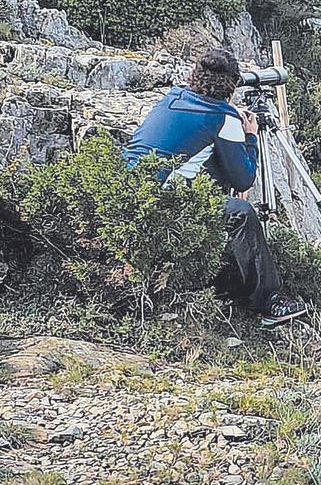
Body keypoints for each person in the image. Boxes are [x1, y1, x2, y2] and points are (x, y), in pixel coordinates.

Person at [122, 47, 305, 328]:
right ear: (232, 84)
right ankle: (269, 300)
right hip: (161, 205)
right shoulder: (223, 118)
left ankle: (226, 279)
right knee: (241, 213)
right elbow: (244, 179)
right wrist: (250, 136)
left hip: (127, 192)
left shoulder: (173, 96)